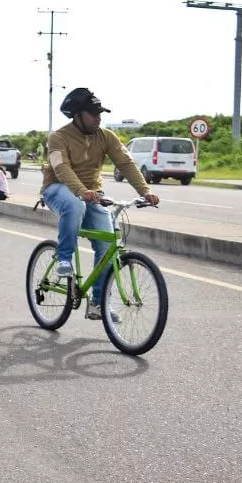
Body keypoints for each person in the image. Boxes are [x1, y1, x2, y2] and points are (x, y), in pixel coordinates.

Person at [43, 87, 159, 320]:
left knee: (108, 249)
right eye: (93, 113)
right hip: (58, 188)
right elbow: (61, 167)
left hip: (92, 194)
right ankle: (64, 258)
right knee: (75, 205)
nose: (98, 118)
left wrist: (145, 191)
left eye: (100, 114)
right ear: (77, 115)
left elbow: (125, 163)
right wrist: (81, 191)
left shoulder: (106, 136)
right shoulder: (58, 137)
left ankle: (98, 303)